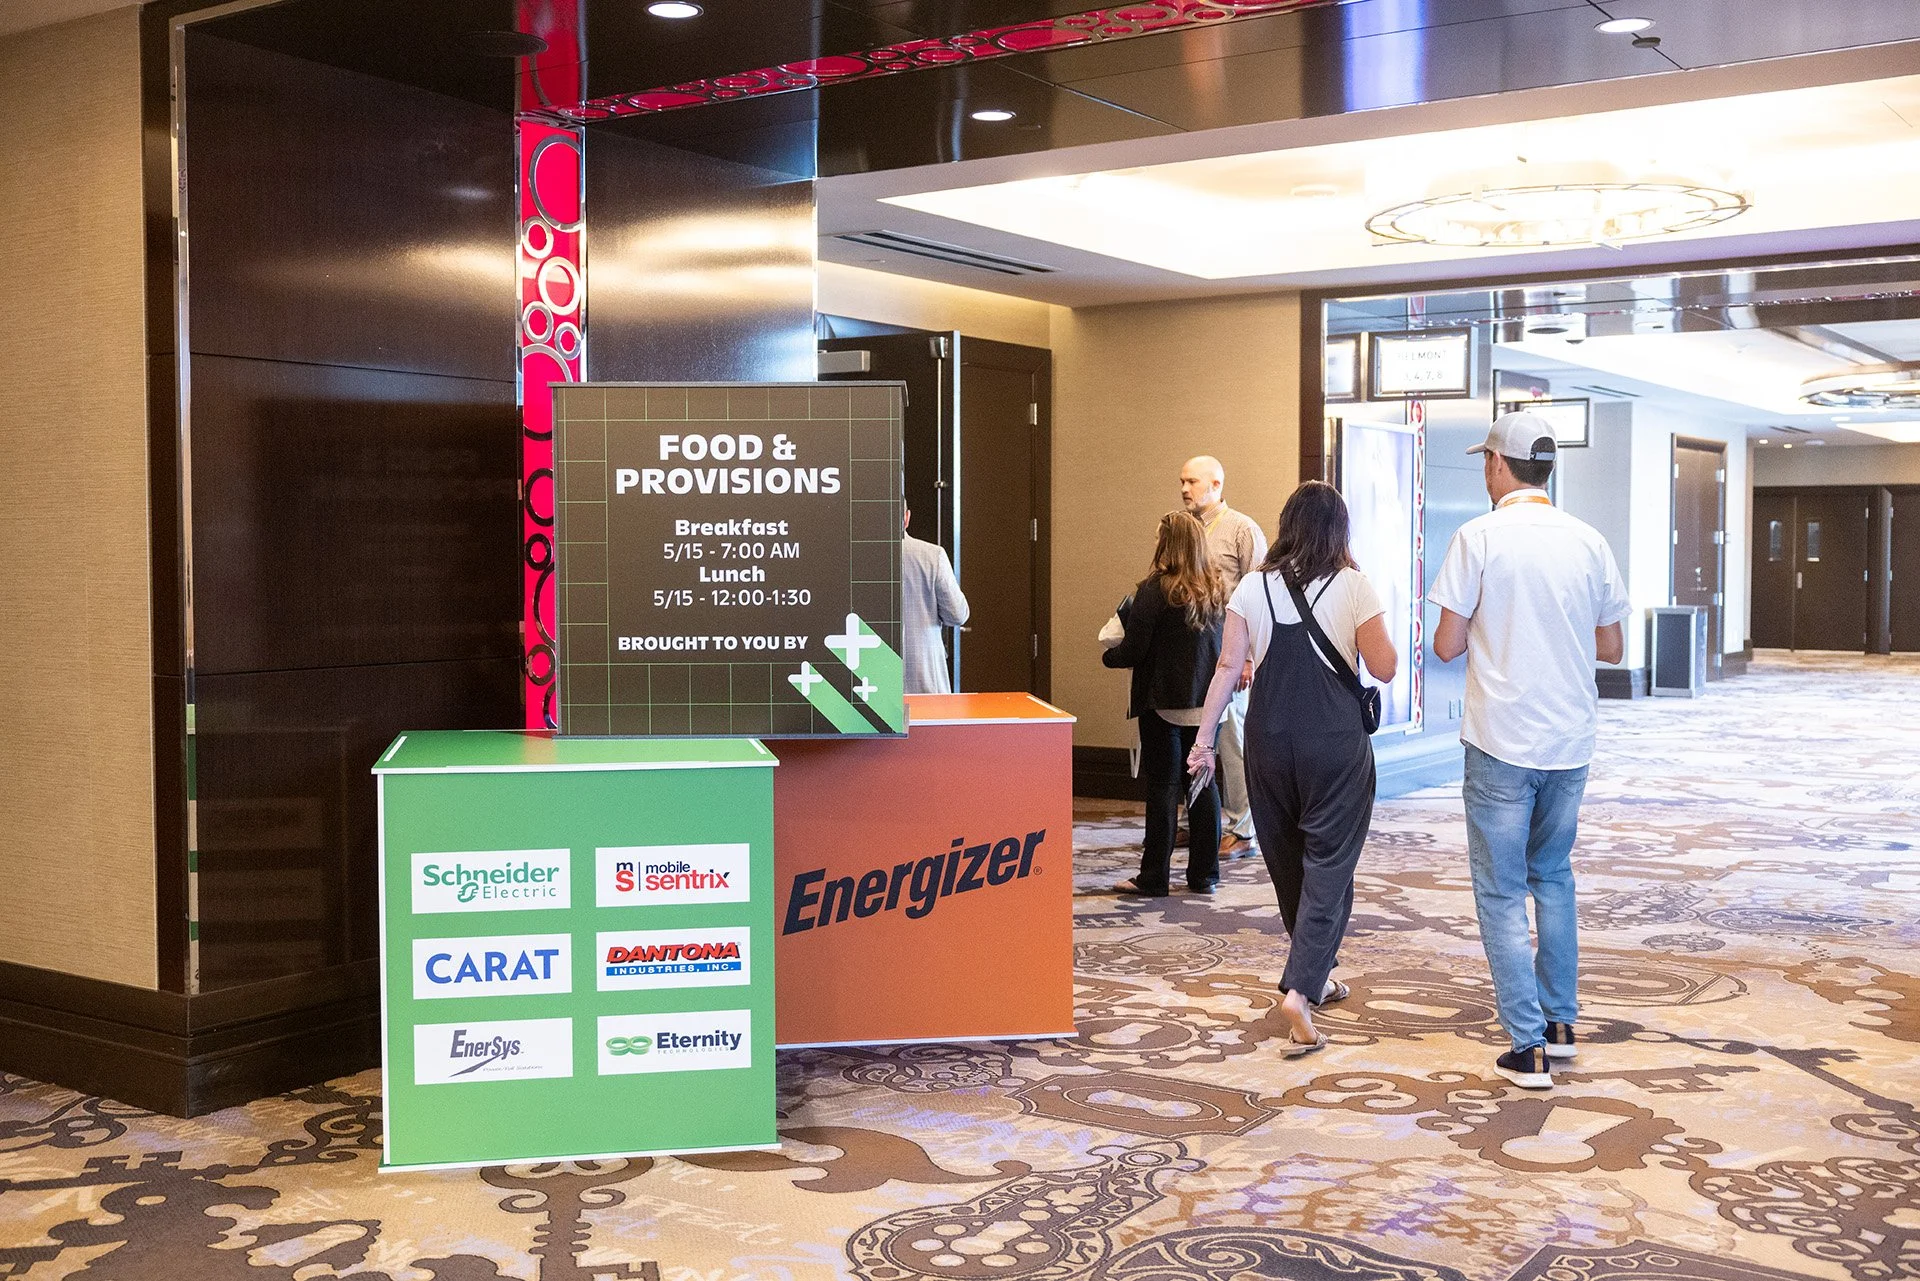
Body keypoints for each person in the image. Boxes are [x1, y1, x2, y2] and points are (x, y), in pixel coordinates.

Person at [1427, 411, 1630, 1091]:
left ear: (1496, 464)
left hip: (1501, 740)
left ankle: (1528, 1045)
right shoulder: (1588, 540)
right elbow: (1612, 647)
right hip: (1569, 740)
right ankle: (1561, 1024)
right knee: (1554, 877)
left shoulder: (1478, 537)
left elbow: (1447, 645)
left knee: (1501, 890)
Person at [1189, 481, 1397, 1056]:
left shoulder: (1252, 586)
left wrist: (1204, 741)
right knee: (1329, 865)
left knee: (1287, 862)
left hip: (1269, 740)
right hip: (1334, 744)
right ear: (1339, 530)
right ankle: (1301, 990)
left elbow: (1227, 667)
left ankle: (1316, 975)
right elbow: (1385, 667)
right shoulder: (1353, 585)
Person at [1103, 511, 1228, 897]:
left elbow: (1134, 649)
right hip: (1207, 704)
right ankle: (1205, 876)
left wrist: (1109, 657)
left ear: (1167, 544)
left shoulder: (1155, 589)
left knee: (1163, 787)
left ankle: (1154, 877)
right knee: (1203, 786)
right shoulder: (1217, 589)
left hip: (1163, 703)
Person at [1179, 456, 1268, 858]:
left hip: (1229, 653)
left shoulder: (1241, 529)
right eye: (1182, 481)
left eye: (1192, 481)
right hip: (1191, 656)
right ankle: (1195, 821)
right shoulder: (1183, 530)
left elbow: (1260, 594)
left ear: (1216, 485)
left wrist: (1248, 658)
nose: (1185, 489)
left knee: (1232, 743)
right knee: (1193, 738)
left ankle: (1241, 828)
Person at [899, 507, 969, 695]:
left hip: (871, 683)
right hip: (925, 677)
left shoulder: (857, 556)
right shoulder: (933, 555)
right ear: (906, 517)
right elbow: (957, 614)